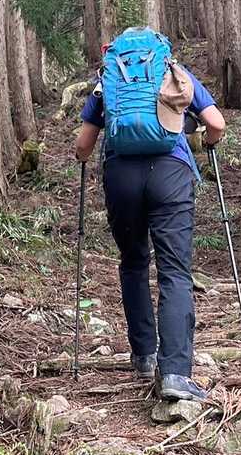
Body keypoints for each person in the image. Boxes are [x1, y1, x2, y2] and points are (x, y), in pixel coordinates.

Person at [74, 31, 226, 402]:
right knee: (174, 270)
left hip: (121, 176)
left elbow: (83, 145)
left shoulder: (107, 80)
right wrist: (208, 142)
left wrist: (83, 156)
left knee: (133, 262)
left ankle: (144, 356)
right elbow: (217, 123)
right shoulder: (174, 73)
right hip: (170, 172)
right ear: (158, 50)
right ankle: (174, 372)